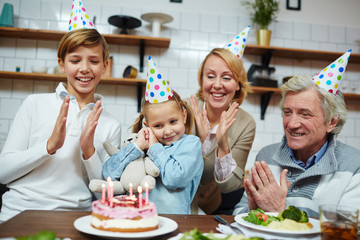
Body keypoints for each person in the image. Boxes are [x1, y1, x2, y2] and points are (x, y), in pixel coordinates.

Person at [0, 2, 121, 223]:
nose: (84, 68)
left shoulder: (111, 124)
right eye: (75, 60)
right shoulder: (34, 104)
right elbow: (3, 172)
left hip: (77, 219)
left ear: (105, 66)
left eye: (93, 61)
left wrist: (89, 152)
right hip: (19, 214)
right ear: (61, 64)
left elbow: (105, 195)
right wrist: (48, 147)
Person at [233, 50, 360, 217]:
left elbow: (347, 231)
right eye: (287, 112)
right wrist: (252, 210)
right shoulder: (267, 156)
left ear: (332, 122)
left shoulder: (354, 165)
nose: (291, 124)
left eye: (305, 114)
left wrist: (278, 212)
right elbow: (237, 214)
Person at [102, 56, 203, 214]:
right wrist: (137, 147)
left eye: (173, 121)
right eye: (158, 126)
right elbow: (108, 173)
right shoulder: (140, 144)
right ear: (147, 126)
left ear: (184, 115)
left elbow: (174, 178)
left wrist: (155, 147)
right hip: (137, 220)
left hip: (174, 224)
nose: (167, 130)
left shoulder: (191, 144)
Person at [187, 26, 256, 214]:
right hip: (173, 203)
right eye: (210, 76)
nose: (217, 85)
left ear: (238, 84)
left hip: (208, 207)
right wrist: (199, 141)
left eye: (227, 77)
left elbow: (231, 186)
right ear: (202, 80)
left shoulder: (245, 123)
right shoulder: (182, 110)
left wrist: (223, 146)